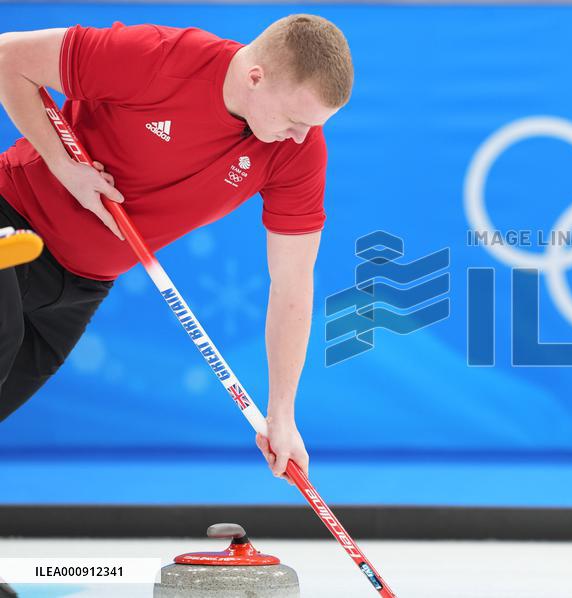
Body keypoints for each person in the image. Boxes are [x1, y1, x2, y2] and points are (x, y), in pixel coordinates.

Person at [0, 14, 353, 483]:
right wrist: (65, 167)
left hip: (82, 285)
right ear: (255, 77)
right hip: (12, 225)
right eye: (294, 120)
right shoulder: (159, 56)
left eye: (313, 125)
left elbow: (292, 282)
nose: (302, 136)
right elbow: (7, 57)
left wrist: (282, 414)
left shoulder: (298, 150)